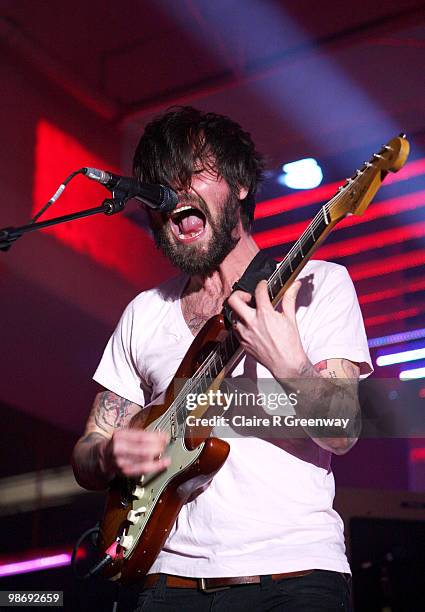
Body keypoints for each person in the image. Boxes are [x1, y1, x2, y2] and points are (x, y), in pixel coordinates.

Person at [72, 106, 372, 611]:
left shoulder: (317, 285)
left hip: (291, 576)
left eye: (193, 172)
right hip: (164, 582)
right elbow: (88, 450)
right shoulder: (145, 313)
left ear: (239, 186)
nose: (174, 191)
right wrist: (107, 454)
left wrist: (291, 368)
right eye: (160, 184)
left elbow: (343, 431)